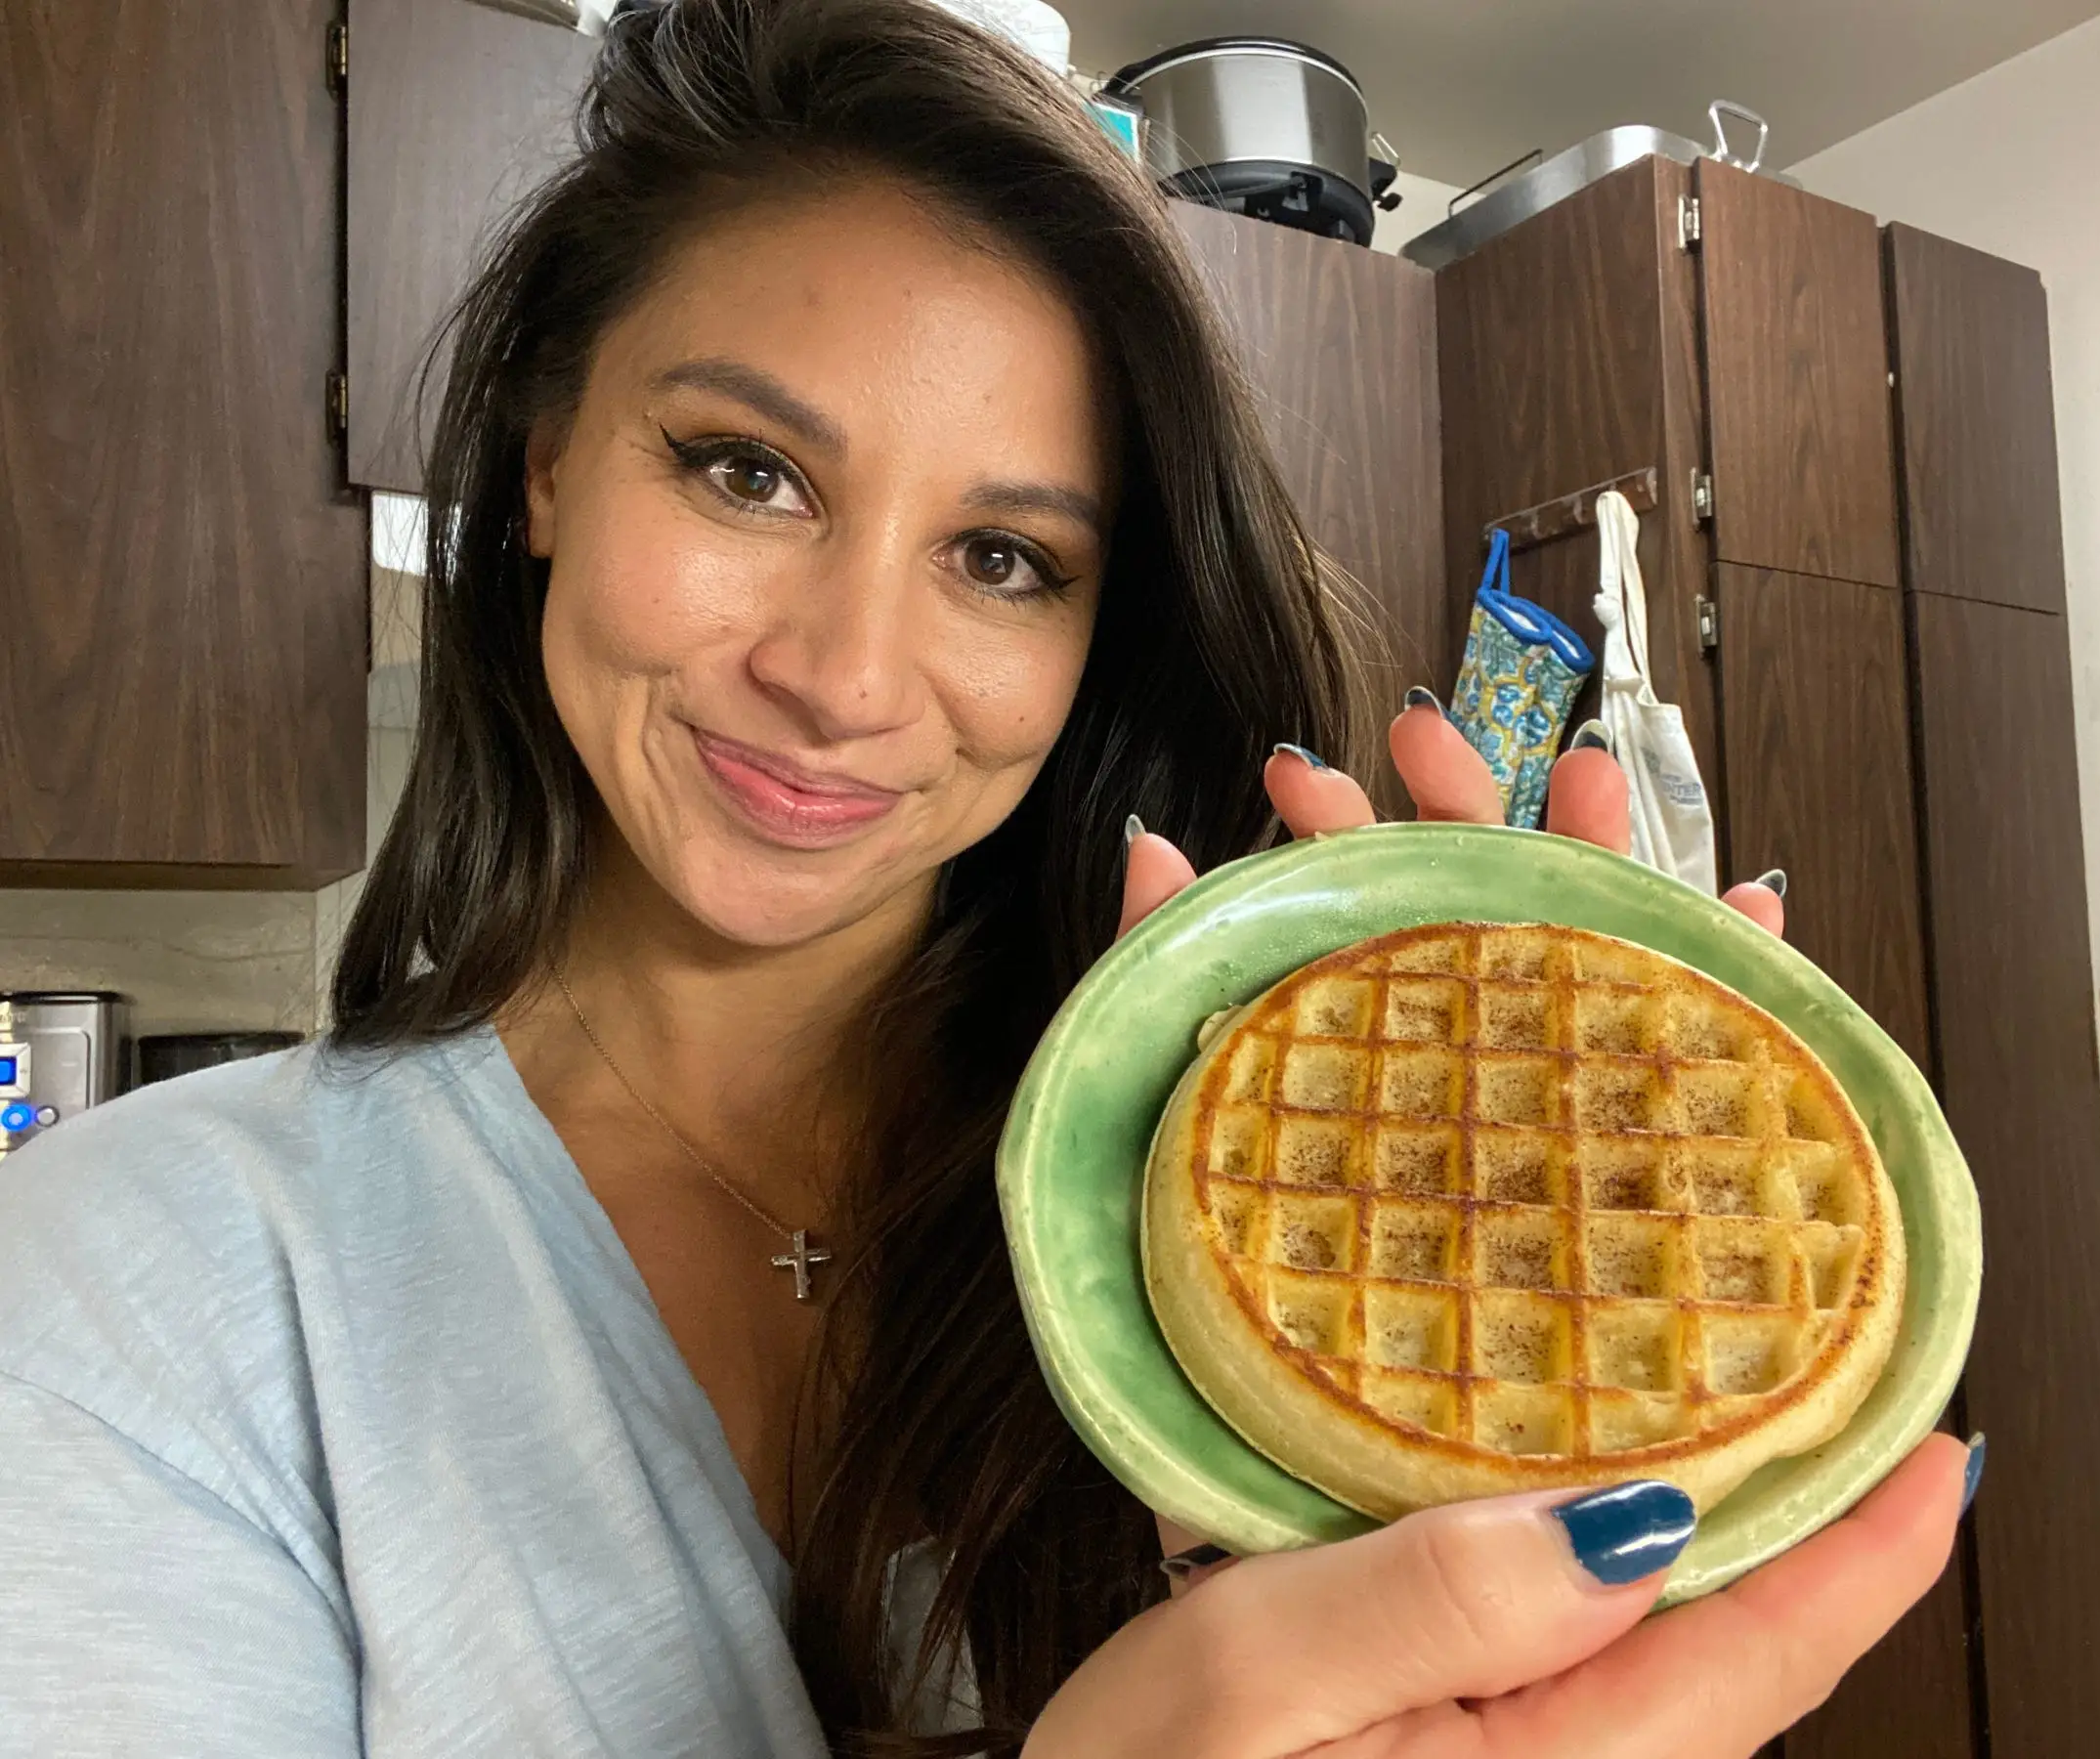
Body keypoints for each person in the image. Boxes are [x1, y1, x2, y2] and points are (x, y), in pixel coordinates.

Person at [0, 2, 1973, 1753]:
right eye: (745, 470)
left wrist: (1541, 1357)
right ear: (538, 465)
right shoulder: (146, 1282)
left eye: (1004, 558)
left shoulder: (1192, 1190)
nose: (846, 679)